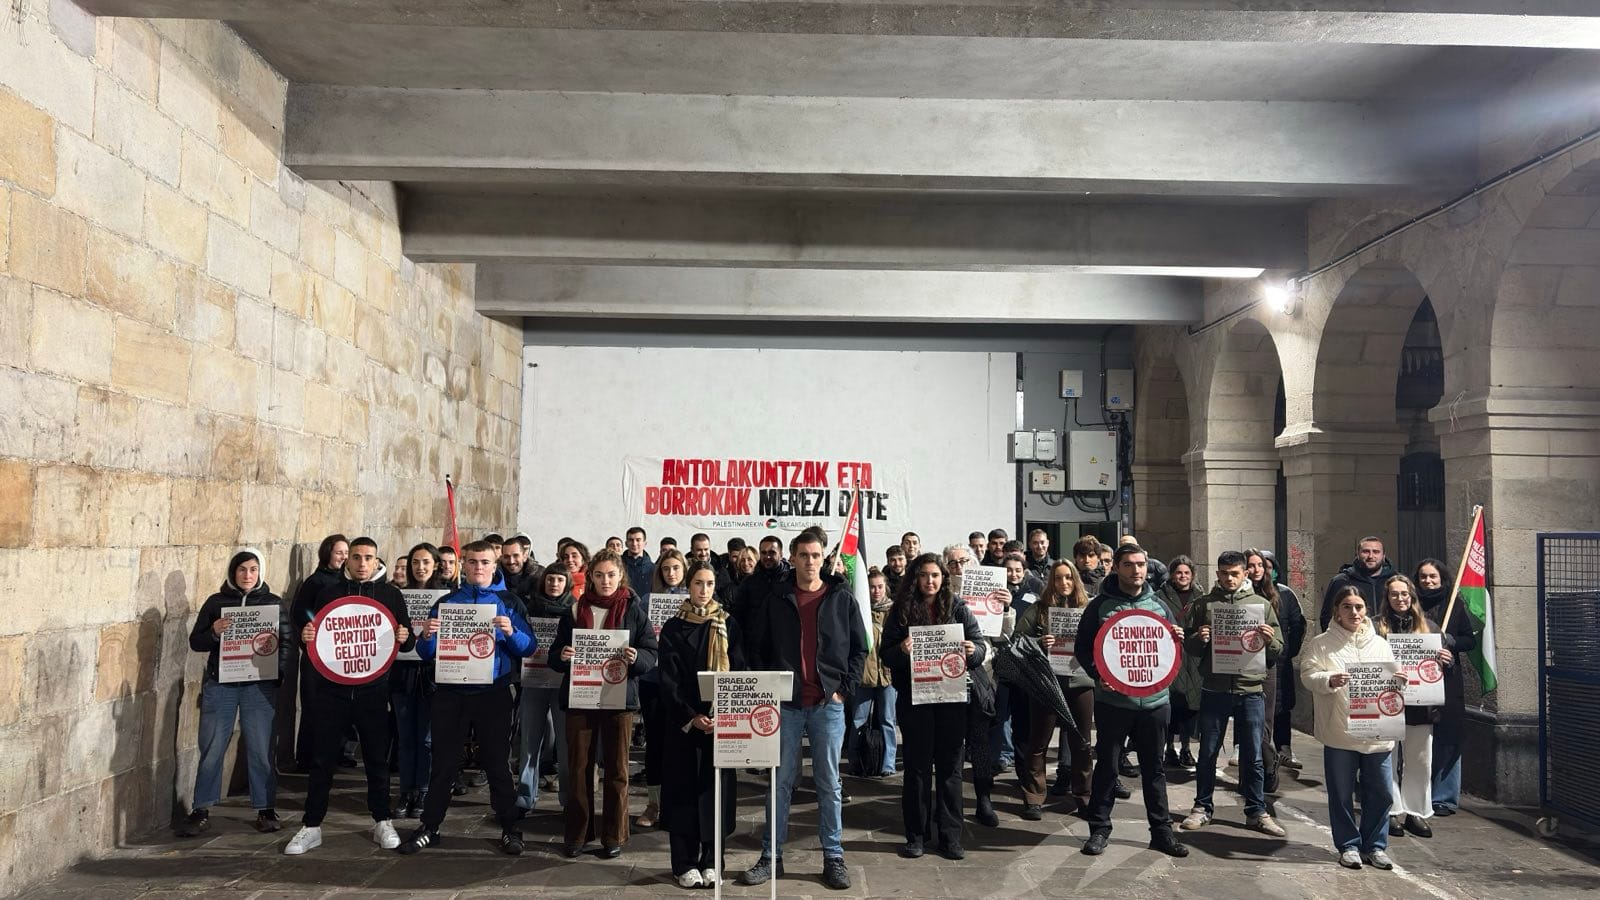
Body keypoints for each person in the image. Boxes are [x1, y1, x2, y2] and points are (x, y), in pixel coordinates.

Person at [738, 529, 867, 891]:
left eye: (816, 555)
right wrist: (767, 687)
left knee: (829, 783)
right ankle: (771, 857)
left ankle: (834, 856)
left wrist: (844, 689)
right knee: (779, 783)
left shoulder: (841, 597)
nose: (810, 561)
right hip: (786, 706)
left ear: (824, 558)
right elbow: (756, 646)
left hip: (828, 705)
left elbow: (860, 648)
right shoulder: (777, 599)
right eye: (804, 555)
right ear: (792, 558)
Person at [400, 542, 536, 855]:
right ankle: (430, 826)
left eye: (485, 562)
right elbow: (426, 653)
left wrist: (511, 632)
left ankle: (509, 828)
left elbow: (529, 647)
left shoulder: (509, 602)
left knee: (497, 764)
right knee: (443, 764)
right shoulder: (447, 602)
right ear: (463, 564)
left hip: (493, 693)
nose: (478, 568)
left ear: (494, 565)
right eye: (472, 562)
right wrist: (427, 636)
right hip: (451, 693)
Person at [284, 537, 415, 855]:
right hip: (332, 689)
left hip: (373, 690)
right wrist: (306, 636)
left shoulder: (390, 594)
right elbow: (313, 633)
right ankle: (312, 825)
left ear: (377, 561)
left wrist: (404, 635)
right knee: (322, 759)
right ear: (347, 560)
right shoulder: (329, 592)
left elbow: (408, 640)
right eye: (356, 557)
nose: (362, 563)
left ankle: (382, 820)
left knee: (376, 759)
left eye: (368, 557)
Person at [1074, 544, 1189, 858]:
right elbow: (1083, 648)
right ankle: (1099, 830)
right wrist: (1098, 674)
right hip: (1113, 702)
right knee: (1107, 768)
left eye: (1140, 564)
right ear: (1116, 568)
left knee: (1154, 769)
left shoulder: (1160, 606)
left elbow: (1170, 652)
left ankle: (1162, 832)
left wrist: (1177, 639)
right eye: (1128, 564)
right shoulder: (1099, 607)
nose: (1136, 570)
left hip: (1155, 703)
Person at [176, 548, 295, 837]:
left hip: (258, 686)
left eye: (253, 569)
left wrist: (276, 673)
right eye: (242, 569)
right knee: (212, 747)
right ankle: (201, 809)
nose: (247, 575)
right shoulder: (216, 602)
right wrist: (214, 632)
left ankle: (265, 808)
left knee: (260, 748)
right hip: (221, 683)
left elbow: (287, 643)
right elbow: (196, 642)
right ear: (233, 572)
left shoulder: (272, 603)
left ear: (260, 572)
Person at [549, 550, 659, 859]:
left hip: (618, 698)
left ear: (620, 576)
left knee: (617, 770)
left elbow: (651, 651)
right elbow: (555, 654)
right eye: (599, 575)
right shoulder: (574, 611)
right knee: (579, 768)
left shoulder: (633, 610)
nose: (605, 580)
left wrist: (638, 658)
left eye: (611, 575)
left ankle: (613, 835)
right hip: (580, 697)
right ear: (591, 577)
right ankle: (578, 834)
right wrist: (563, 656)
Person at [880, 554, 985, 860]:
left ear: (943, 578)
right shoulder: (900, 611)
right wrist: (901, 650)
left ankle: (951, 836)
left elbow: (980, 646)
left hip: (951, 699)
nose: (930, 581)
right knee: (916, 770)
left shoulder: (958, 607)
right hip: (915, 701)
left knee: (951, 770)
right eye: (924, 575)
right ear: (915, 578)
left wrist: (973, 651)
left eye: (935, 575)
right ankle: (916, 835)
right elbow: (886, 655)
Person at [1181, 550, 1286, 837]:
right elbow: (1189, 647)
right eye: (1224, 574)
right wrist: (1199, 639)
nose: (1229, 579)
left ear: (1245, 574)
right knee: (1207, 752)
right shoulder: (1204, 605)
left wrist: (1268, 640)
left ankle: (1256, 811)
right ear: (1217, 574)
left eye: (1235, 574)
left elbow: (1278, 649)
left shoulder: (1261, 606)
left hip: (1250, 689)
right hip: (1214, 688)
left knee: (1253, 755)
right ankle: (1202, 807)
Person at [1300, 586, 1406, 870]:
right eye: (1347, 606)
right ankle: (1348, 845)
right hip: (1340, 731)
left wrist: (1400, 680)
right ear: (1337, 611)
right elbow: (1308, 675)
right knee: (1341, 793)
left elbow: (1393, 679)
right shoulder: (1321, 644)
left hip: (1377, 733)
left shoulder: (1380, 644)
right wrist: (1328, 679)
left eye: (1359, 607)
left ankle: (1375, 846)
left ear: (1366, 610)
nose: (1354, 612)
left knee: (1382, 792)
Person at [657, 561, 745, 888]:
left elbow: (739, 671)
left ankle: (712, 861)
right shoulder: (673, 627)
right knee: (683, 793)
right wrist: (691, 716)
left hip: (720, 723)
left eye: (709, 584)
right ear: (688, 585)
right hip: (685, 724)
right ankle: (683, 863)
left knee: (714, 793)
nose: (704, 590)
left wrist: (724, 713)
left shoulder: (728, 624)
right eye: (698, 583)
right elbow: (668, 680)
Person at [1014, 560, 1094, 820]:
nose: (1064, 583)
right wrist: (1039, 642)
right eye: (1058, 578)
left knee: (1082, 743)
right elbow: (1017, 640)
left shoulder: (1087, 608)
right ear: (1051, 581)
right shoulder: (1039, 609)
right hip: (1046, 682)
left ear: (1075, 580)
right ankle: (1034, 797)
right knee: (1038, 742)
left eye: (1068, 577)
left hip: (1080, 681)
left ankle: (1084, 796)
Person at [1376, 574, 1448, 840]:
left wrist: (1446, 658)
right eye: (1394, 594)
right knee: (1387, 759)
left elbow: (1440, 667)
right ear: (1387, 598)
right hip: (1387, 703)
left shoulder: (1430, 628)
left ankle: (1416, 811)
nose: (1400, 599)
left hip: (1421, 706)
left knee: (1420, 760)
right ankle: (1391, 809)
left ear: (1412, 596)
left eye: (1404, 594)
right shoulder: (1375, 627)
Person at [944, 543, 1008, 827]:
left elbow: (1004, 636)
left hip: (982, 673)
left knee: (980, 741)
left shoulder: (989, 589)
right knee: (952, 743)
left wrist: (1005, 608)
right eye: (953, 563)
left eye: (964, 561)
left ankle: (984, 799)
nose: (959, 567)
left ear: (974, 562)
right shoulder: (941, 593)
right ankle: (952, 803)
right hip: (948, 675)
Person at [1414, 558, 1476, 817]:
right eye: (1423, 577)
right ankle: (1418, 794)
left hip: (1447, 680)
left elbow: (1469, 640)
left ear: (1442, 579)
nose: (1428, 581)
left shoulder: (1454, 605)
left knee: (1448, 738)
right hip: (1416, 684)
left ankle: (1444, 797)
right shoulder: (1411, 605)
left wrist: (1450, 642)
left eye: (1433, 577)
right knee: (1417, 740)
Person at [637, 548, 690, 829]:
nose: (671, 573)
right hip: (653, 680)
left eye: (676, 568)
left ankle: (676, 804)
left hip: (682, 683)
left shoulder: (693, 599)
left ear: (684, 570)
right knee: (655, 742)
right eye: (666, 568)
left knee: (680, 744)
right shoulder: (647, 600)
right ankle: (654, 804)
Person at [517, 561, 576, 813]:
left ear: (567, 583)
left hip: (564, 682)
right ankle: (525, 795)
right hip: (533, 678)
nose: (554, 583)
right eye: (550, 579)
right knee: (529, 741)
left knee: (565, 743)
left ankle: (568, 798)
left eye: (560, 580)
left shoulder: (575, 611)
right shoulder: (529, 608)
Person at [393, 543, 443, 820]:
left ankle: (423, 790)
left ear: (436, 565)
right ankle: (405, 791)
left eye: (426, 562)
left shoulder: (446, 598)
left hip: (431, 675)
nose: (420, 567)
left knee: (426, 739)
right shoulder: (397, 596)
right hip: (402, 674)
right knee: (405, 738)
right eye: (415, 562)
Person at [293, 534, 349, 770]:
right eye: (339, 552)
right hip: (318, 655)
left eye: (346, 553)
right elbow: (301, 614)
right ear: (327, 553)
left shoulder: (347, 582)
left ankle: (336, 753)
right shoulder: (315, 582)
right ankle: (308, 758)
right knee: (314, 707)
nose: (343, 557)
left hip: (340, 655)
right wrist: (316, 632)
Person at [1256, 550, 1307, 773]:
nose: (1264, 571)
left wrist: (1287, 652)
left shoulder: (1286, 594)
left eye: (1268, 567)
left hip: (1280, 661)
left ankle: (1284, 747)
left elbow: (1298, 626)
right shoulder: (1247, 593)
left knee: (1282, 705)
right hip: (1252, 660)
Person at [1244, 548, 1285, 794]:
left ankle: (1268, 766)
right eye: (1251, 565)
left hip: (1267, 664)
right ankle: (1250, 776)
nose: (1256, 569)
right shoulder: (1236, 596)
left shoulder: (1275, 596)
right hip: (1241, 664)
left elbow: (1286, 632)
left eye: (1260, 565)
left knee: (1264, 724)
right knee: (1248, 726)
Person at [850, 569, 898, 778]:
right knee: (858, 720)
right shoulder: (859, 610)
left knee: (887, 720)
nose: (876, 591)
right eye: (871, 587)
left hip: (887, 675)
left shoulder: (894, 612)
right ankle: (856, 762)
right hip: (864, 675)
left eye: (880, 586)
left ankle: (888, 763)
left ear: (885, 587)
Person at [1157, 556, 1201, 771]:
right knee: (1172, 704)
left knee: (1191, 706)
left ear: (1192, 575)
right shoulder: (1159, 597)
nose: (1183, 576)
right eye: (1178, 572)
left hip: (1194, 656)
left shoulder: (1201, 597)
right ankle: (1169, 748)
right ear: (1172, 575)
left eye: (1186, 573)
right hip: (1170, 655)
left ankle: (1186, 747)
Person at [1319, 536, 1397, 630]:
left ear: (1383, 556)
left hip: (1390, 637)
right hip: (1351, 637)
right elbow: (1327, 617)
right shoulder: (1341, 581)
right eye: (1366, 551)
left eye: (1376, 552)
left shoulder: (1396, 581)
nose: (1371, 556)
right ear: (1357, 554)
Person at [729, 536, 788, 626]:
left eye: (772, 552)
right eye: (764, 553)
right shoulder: (749, 582)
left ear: (781, 554)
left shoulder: (790, 580)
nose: (767, 556)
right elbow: (738, 615)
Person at [498, 534, 542, 603]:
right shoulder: (494, 576)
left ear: (525, 557)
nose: (511, 561)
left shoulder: (539, 575)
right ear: (501, 558)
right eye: (506, 557)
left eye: (516, 556)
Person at [622, 526, 655, 599]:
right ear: (626, 543)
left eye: (638, 540)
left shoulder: (654, 569)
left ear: (645, 543)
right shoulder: (617, 565)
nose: (634, 543)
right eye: (631, 540)